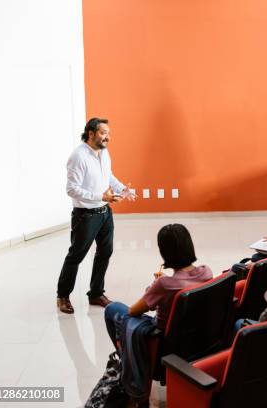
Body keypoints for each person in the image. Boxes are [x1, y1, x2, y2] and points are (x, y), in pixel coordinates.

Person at [57, 118, 136, 314]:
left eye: (108, 133)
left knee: (105, 252)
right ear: (91, 133)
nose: (107, 136)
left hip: (105, 213)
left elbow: (108, 175)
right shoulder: (78, 156)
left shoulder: (104, 152)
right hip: (85, 216)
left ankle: (96, 293)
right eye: (103, 133)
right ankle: (63, 296)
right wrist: (100, 196)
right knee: (76, 256)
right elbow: (71, 189)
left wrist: (122, 189)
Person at [104, 224, 213, 349]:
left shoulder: (163, 285)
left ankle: (123, 358)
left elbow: (133, 311)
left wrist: (154, 286)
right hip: (195, 332)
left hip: (165, 338)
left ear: (165, 252)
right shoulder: (206, 272)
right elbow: (181, 283)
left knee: (112, 308)